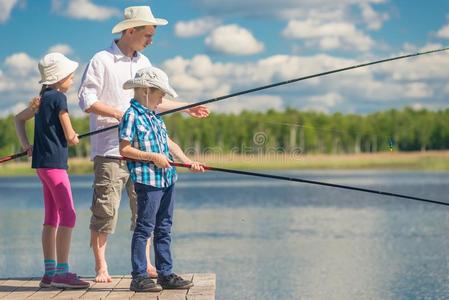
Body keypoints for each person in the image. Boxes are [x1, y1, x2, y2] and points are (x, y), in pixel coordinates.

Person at [78, 5, 209, 283]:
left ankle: (148, 266)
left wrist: (187, 107)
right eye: (147, 34)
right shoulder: (101, 59)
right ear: (130, 31)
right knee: (106, 210)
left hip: (147, 159)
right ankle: (101, 266)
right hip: (110, 150)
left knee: (144, 213)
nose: (151, 40)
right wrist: (120, 114)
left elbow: (155, 102)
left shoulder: (144, 64)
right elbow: (86, 101)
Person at [119, 66, 204, 292]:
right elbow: (125, 149)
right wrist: (152, 157)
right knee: (145, 227)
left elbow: (169, 144)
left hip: (168, 179)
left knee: (164, 227)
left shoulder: (155, 117)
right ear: (146, 90)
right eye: (161, 93)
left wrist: (186, 161)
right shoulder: (131, 115)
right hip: (148, 181)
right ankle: (139, 277)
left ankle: (165, 274)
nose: (163, 97)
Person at [14, 53, 90, 289]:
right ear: (60, 78)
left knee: (51, 218)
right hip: (56, 166)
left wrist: (27, 145)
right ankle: (62, 272)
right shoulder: (58, 98)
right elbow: (69, 135)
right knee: (69, 214)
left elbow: (18, 119)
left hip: (41, 167)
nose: (72, 79)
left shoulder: (42, 98)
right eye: (70, 76)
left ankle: (49, 273)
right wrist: (74, 138)